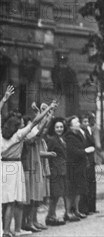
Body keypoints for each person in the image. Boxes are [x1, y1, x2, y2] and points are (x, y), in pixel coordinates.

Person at [2, 101, 57, 237]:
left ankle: (7, 230)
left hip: (3, 166)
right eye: (20, 122)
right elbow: (36, 122)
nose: (22, 123)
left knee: (7, 201)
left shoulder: (1, 134)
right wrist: (48, 109)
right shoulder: (19, 135)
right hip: (14, 166)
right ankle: (10, 231)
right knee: (13, 201)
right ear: (16, 125)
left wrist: (4, 100)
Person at [64, 116, 93, 221]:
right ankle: (68, 212)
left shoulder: (78, 135)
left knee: (78, 190)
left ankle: (76, 210)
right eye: (76, 122)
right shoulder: (69, 137)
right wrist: (86, 151)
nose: (78, 123)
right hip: (72, 167)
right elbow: (73, 151)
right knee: (71, 190)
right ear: (71, 126)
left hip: (80, 166)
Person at [45, 117, 68, 226]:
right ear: (53, 128)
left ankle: (52, 215)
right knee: (54, 195)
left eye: (61, 127)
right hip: (55, 170)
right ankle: (50, 216)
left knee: (58, 194)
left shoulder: (62, 138)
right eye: (57, 127)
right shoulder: (52, 139)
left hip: (62, 170)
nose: (59, 129)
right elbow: (48, 154)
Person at [80, 113, 98, 215]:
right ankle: (85, 208)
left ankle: (92, 207)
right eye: (84, 122)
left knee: (92, 183)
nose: (86, 124)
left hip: (91, 160)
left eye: (87, 122)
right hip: (85, 159)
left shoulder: (89, 130)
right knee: (86, 184)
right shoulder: (81, 132)